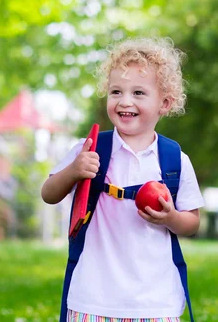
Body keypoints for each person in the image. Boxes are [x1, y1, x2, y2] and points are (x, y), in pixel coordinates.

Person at [42, 38, 204, 322]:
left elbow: (191, 222)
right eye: (116, 91)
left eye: (139, 93)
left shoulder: (175, 159)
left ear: (164, 103)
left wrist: (170, 217)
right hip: (93, 301)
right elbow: (49, 193)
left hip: (156, 303)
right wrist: (74, 170)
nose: (125, 101)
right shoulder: (89, 149)